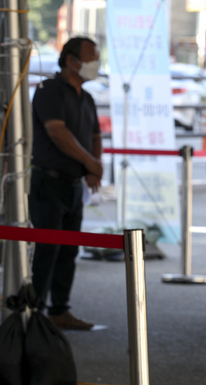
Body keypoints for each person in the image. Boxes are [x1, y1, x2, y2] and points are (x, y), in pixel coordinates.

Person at [30, 37, 103, 330]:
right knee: (47, 250)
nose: (95, 63)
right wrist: (90, 162)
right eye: (91, 57)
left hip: (75, 184)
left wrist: (94, 167)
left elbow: (96, 136)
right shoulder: (49, 90)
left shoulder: (87, 98)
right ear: (72, 60)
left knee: (68, 251)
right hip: (49, 181)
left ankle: (60, 309)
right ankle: (34, 311)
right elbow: (57, 133)